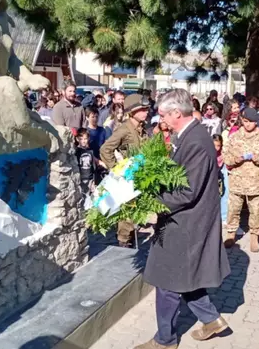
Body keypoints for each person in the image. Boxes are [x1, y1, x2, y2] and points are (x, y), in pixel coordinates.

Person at [138, 89, 230, 349]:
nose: (161, 120)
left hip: (187, 223)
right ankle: (212, 320)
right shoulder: (188, 135)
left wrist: (153, 203)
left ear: (177, 113)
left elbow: (187, 192)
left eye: (164, 115)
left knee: (167, 280)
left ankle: (165, 340)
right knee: (185, 275)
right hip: (186, 220)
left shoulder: (196, 141)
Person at [100, 94, 150, 248]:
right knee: (127, 211)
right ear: (132, 111)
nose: (146, 112)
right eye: (142, 109)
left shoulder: (141, 128)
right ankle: (123, 242)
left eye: (146, 109)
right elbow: (105, 149)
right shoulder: (125, 129)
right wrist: (116, 170)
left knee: (135, 211)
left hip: (140, 175)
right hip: (128, 177)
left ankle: (130, 238)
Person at [222, 108, 259, 252]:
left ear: (256, 122)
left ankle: (254, 236)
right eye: (245, 121)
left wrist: (257, 158)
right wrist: (236, 159)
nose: (248, 124)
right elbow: (226, 156)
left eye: (250, 122)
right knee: (233, 209)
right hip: (237, 180)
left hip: (256, 182)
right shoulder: (234, 137)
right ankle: (231, 234)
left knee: (256, 211)